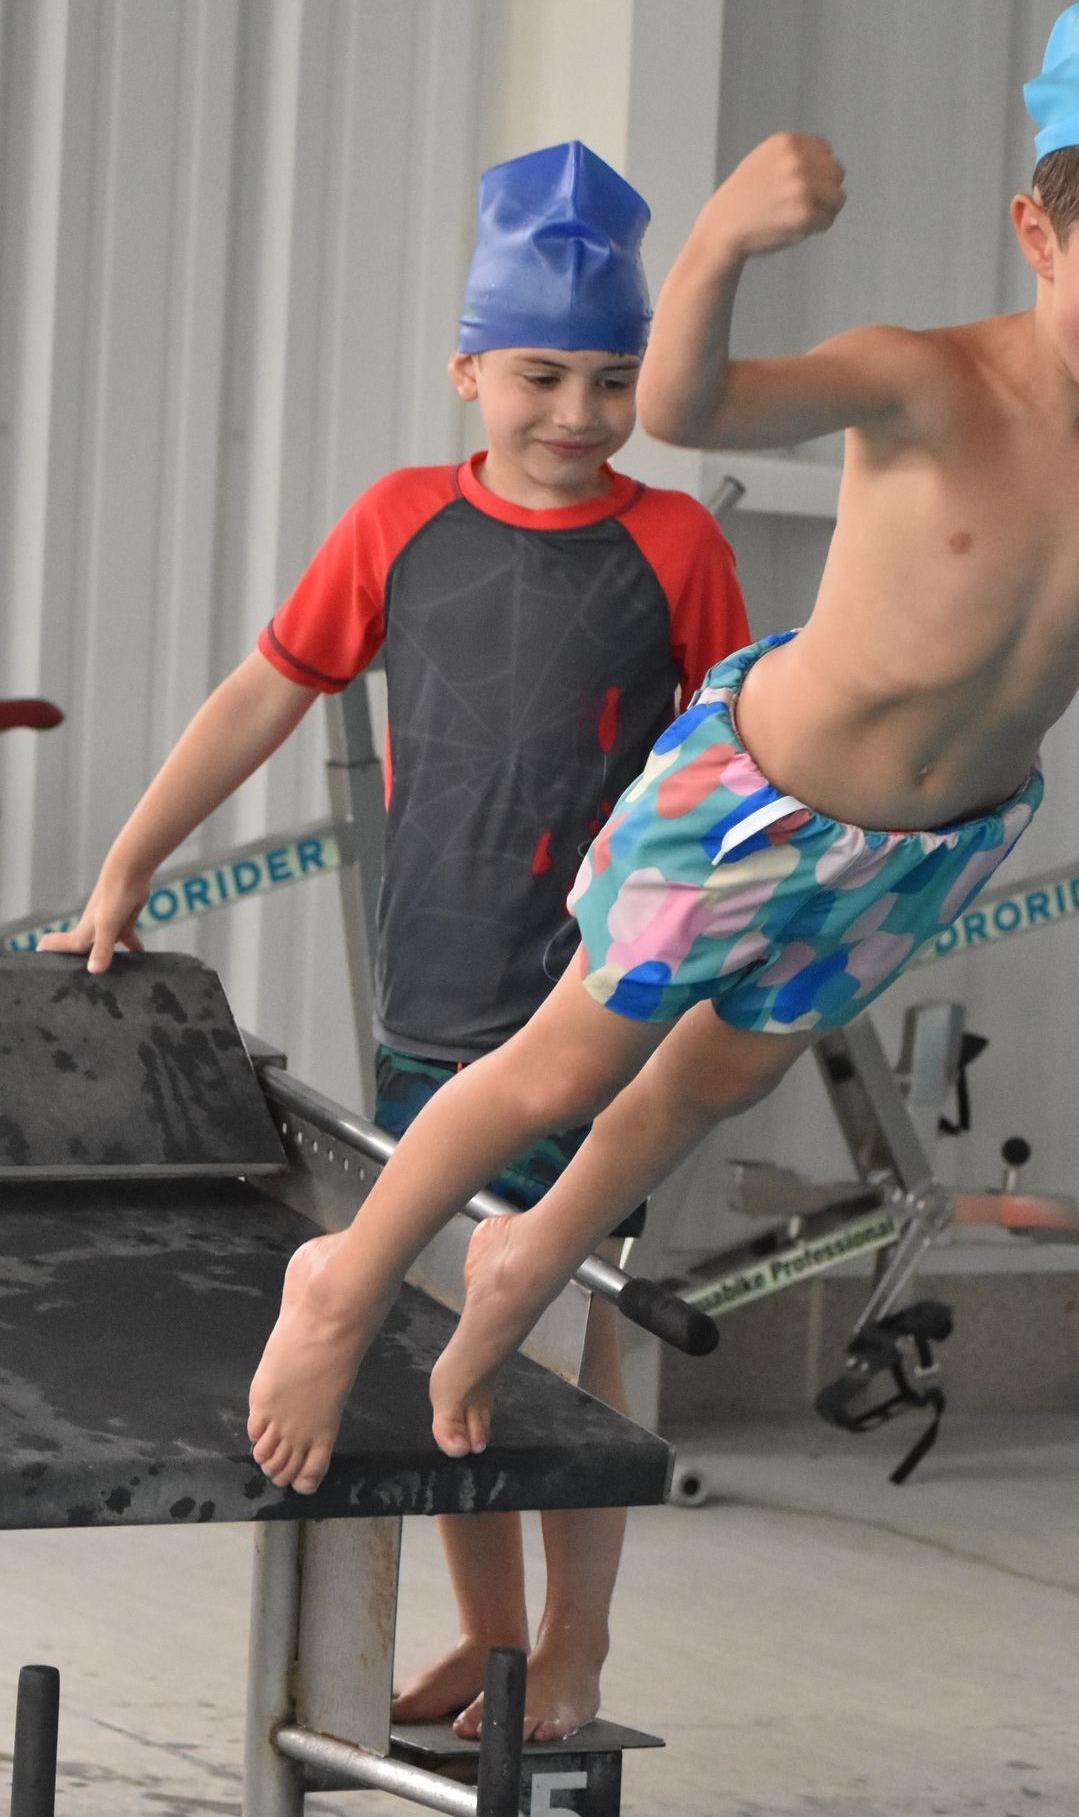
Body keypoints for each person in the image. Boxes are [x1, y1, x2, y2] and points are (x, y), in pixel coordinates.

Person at [244, 0, 1079, 1509]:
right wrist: (720, 240)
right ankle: (342, 1280)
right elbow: (693, 405)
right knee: (562, 1067)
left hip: (929, 845)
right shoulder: (923, 380)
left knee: (708, 1087)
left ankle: (531, 1254)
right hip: (755, 804)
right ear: (1039, 237)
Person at [43, 141, 750, 1742]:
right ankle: (492, 1646)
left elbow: (744, 771)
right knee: (450, 1316)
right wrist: (129, 862)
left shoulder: (679, 551)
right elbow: (263, 694)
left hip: (597, 1009)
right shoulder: (399, 525)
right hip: (432, 994)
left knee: (564, 1321)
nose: (575, 414)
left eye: (613, 379)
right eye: (540, 375)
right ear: (468, 368)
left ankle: (574, 1648)